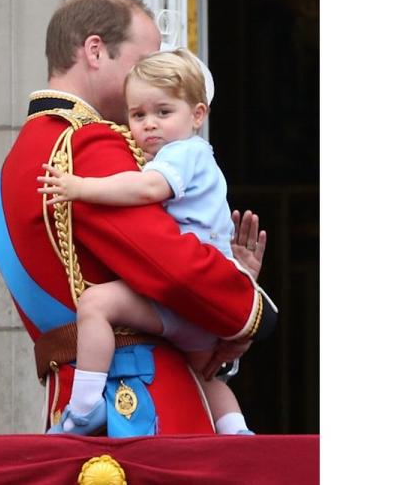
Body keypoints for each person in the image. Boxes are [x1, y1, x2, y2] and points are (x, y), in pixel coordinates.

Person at [0, 0, 277, 436]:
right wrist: (251, 308)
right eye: (144, 60)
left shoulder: (14, 162)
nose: (150, 76)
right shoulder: (86, 144)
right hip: (140, 404)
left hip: (73, 393)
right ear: (96, 51)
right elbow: (172, 268)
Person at [36, 48, 270, 435]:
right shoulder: (185, 154)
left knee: (95, 303)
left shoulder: (184, 153)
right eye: (138, 115)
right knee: (207, 373)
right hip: (197, 307)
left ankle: (84, 407)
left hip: (187, 294)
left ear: (197, 115)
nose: (149, 125)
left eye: (163, 113)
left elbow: (146, 189)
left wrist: (80, 186)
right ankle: (236, 432)